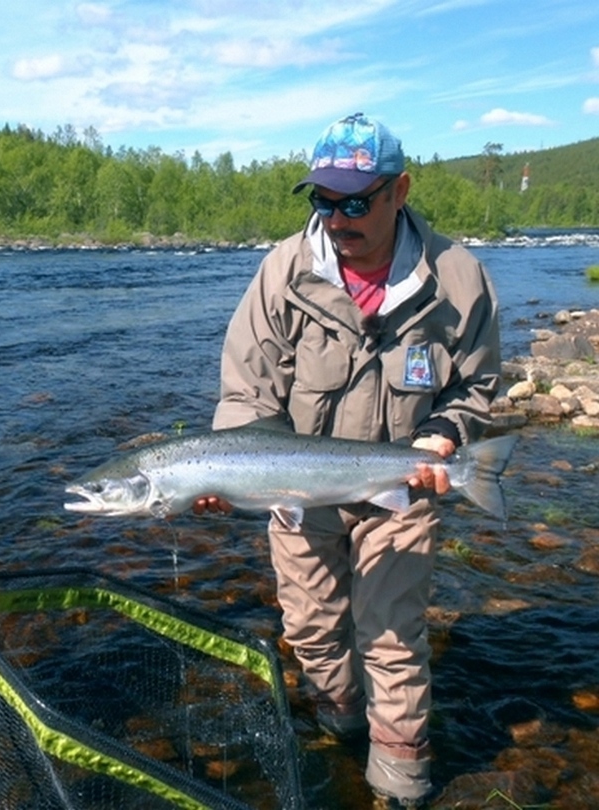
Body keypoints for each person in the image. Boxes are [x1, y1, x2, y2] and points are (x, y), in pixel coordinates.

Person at [205, 114, 501, 808]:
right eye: (323, 200)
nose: (338, 218)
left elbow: (476, 384)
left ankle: (399, 782)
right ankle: (338, 729)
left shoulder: (457, 278)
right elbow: (247, 392)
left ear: (400, 190)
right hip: (295, 490)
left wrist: (449, 434)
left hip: (399, 485)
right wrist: (224, 471)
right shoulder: (283, 273)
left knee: (392, 639)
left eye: (356, 201)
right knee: (310, 632)